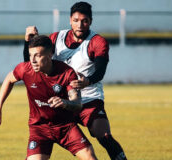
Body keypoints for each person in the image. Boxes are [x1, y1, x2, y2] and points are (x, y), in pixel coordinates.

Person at [23, 2, 127, 160]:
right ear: (70, 20)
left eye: (84, 21)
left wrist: (88, 81)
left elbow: (100, 70)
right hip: (62, 100)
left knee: (103, 135)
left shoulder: (97, 42)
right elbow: (31, 64)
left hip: (88, 98)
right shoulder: (56, 38)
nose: (80, 25)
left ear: (90, 21)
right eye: (76, 20)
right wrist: (28, 42)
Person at [0, 36, 97, 160]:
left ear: (50, 54)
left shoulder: (67, 73)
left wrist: (64, 102)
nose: (32, 60)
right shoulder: (25, 69)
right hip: (39, 129)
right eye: (30, 55)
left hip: (65, 127)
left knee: (90, 157)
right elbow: (9, 79)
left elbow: (77, 104)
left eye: (38, 55)